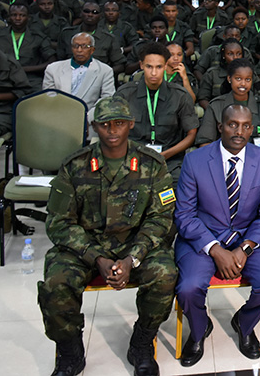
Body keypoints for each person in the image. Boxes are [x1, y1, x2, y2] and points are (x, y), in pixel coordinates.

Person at [37, 96, 178, 376]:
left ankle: (141, 343)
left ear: (131, 124)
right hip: (85, 248)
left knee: (165, 274)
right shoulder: (74, 166)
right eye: (104, 125)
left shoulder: (152, 164)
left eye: (119, 123)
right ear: (94, 127)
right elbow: (58, 223)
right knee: (56, 282)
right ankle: (70, 353)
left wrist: (132, 259)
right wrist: (97, 257)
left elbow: (161, 218)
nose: (112, 130)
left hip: (134, 245)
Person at [174, 104, 260, 366]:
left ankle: (244, 324)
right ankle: (199, 331)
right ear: (221, 126)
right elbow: (184, 215)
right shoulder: (195, 160)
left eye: (246, 125)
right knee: (188, 288)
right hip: (203, 236)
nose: (239, 131)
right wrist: (215, 249)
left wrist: (244, 249)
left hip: (248, 236)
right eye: (233, 124)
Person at [115, 42, 199, 181]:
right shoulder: (125, 94)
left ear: (166, 66)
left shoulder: (180, 95)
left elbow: (191, 134)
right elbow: (114, 131)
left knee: (176, 193)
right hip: (132, 158)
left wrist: (165, 155)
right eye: (149, 67)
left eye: (159, 67)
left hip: (169, 160)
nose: (154, 73)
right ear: (141, 65)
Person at [195, 59, 260, 150]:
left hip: (254, 159)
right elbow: (205, 143)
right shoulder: (216, 106)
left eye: (247, 79)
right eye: (238, 78)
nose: (243, 84)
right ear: (229, 78)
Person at [42, 32, 115, 123]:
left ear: (92, 50)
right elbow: (49, 97)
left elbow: (106, 99)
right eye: (76, 46)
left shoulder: (105, 70)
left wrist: (86, 118)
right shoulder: (53, 69)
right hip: (58, 118)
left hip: (90, 121)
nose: (79, 50)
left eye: (84, 46)